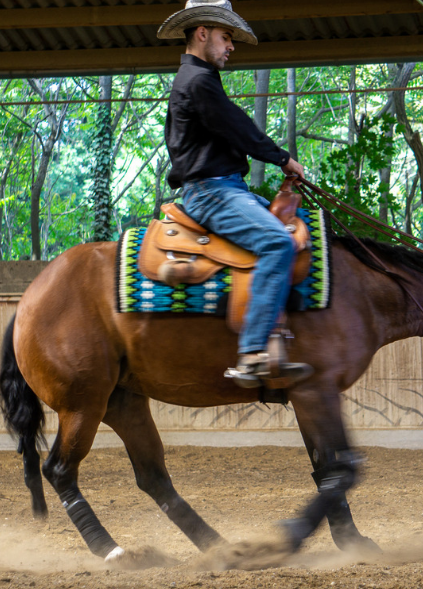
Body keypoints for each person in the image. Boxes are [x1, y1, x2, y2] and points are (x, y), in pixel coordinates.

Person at [157, 0, 313, 388]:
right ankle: (252, 353)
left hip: (226, 188)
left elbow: (233, 125)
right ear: (202, 33)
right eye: (226, 37)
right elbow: (237, 127)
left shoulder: (200, 81)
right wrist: (282, 159)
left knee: (298, 228)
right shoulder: (196, 82)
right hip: (211, 193)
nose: (231, 46)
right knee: (277, 243)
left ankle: (279, 339)